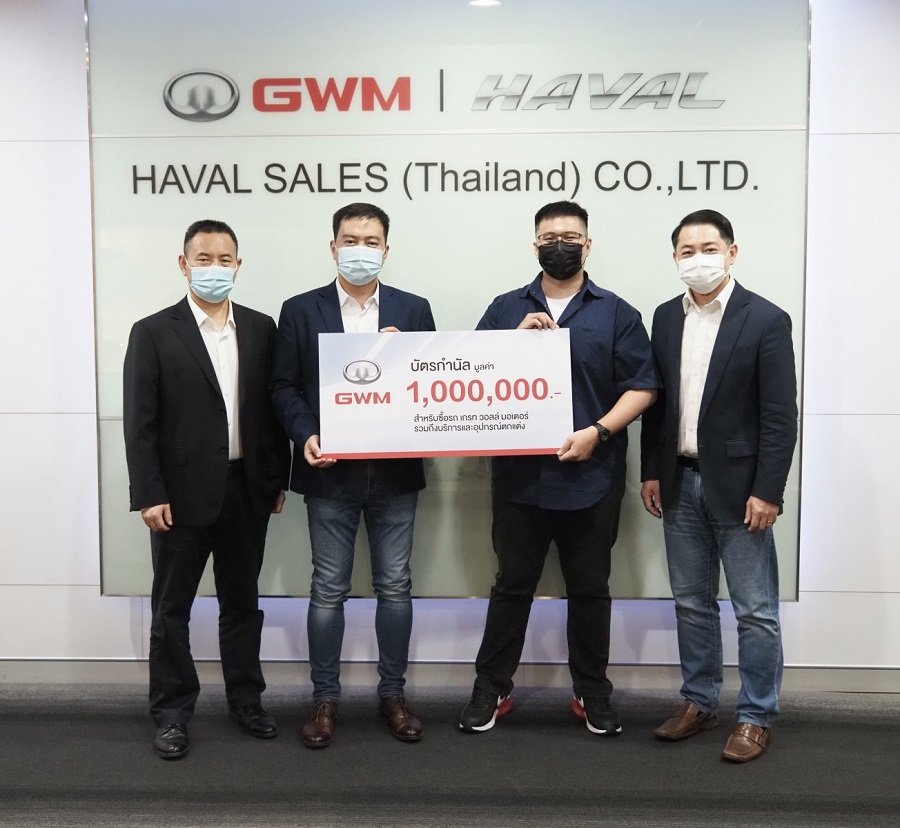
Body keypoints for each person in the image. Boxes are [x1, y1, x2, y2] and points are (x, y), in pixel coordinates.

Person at [458, 200, 658, 736]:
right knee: (511, 586)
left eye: (570, 237)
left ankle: (592, 691)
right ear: (535, 246)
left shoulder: (617, 313)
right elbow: (464, 375)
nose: (560, 245)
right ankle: (491, 688)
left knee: (590, 589)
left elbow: (642, 387)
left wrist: (599, 432)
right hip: (519, 480)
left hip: (593, 479)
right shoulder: (504, 308)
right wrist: (510, 344)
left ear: (588, 245)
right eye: (549, 238)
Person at [123, 219, 290, 760]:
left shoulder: (262, 327)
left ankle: (247, 701)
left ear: (238, 265)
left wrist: (276, 479)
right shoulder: (153, 331)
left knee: (243, 604)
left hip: (247, 491)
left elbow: (272, 410)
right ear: (183, 264)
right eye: (204, 258)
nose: (214, 268)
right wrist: (149, 493)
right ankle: (172, 714)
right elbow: (140, 422)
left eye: (224, 259)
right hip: (178, 498)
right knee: (172, 610)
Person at [270, 202, 435, 747]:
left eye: (371, 241)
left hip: (394, 473)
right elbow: (283, 386)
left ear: (386, 249)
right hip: (329, 473)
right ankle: (324, 699)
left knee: (396, 586)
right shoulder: (300, 309)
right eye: (350, 240)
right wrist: (306, 435)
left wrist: (402, 359)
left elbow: (432, 385)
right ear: (333, 246)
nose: (360, 250)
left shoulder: (414, 309)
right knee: (327, 589)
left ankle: (394, 695)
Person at [640, 209, 798, 763]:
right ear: (675, 258)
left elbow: (779, 416)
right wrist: (651, 471)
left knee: (755, 610)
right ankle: (700, 701)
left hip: (741, 488)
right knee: (691, 603)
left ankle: (756, 715)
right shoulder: (665, 317)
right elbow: (656, 403)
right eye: (687, 251)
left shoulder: (766, 319)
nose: (698, 259)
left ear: (732, 253)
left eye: (708, 248)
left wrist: (769, 490)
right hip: (679, 480)